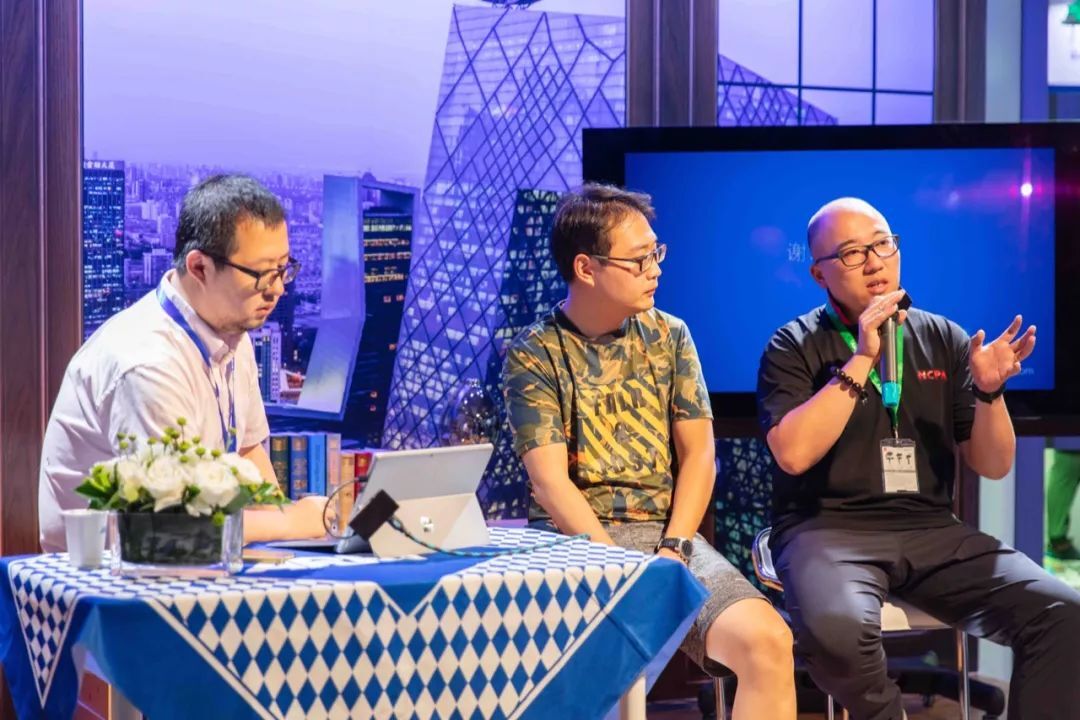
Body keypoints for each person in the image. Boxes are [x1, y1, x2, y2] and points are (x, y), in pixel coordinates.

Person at [757, 196, 1080, 720]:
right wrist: (863, 357)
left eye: (883, 244)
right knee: (838, 632)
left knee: (1062, 613)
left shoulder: (945, 338)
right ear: (819, 274)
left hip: (931, 530)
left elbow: (993, 464)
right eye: (852, 253)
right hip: (826, 530)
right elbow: (792, 455)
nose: (874, 262)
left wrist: (990, 393)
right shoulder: (792, 345)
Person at [503, 184, 796, 719]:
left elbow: (700, 456)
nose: (655, 269)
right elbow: (549, 482)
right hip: (573, 544)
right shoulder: (535, 352)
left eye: (656, 253)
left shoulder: (670, 336)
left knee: (768, 641)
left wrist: (674, 550)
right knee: (573, 693)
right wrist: (616, 567)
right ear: (586, 268)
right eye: (639, 260)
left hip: (666, 541)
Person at [39, 174, 327, 552]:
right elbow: (175, 526)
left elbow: (247, 453)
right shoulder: (147, 363)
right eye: (261, 274)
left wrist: (294, 533)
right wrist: (293, 521)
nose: (277, 289)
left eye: (283, 269)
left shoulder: (231, 331)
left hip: (199, 560)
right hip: (110, 573)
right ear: (199, 267)